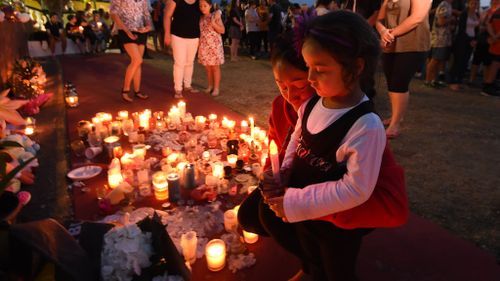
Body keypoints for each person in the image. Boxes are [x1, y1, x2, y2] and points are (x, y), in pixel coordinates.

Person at [262, 11, 385, 281]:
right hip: (306, 211)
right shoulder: (314, 102)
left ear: (356, 67)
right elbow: (297, 138)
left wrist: (295, 202)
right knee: (313, 257)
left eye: (320, 69)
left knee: (337, 270)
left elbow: (356, 189)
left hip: (337, 224)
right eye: (308, 67)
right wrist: (281, 172)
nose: (311, 78)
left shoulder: (366, 125)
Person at [376, 0, 431, 138]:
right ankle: (395, 116)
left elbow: (417, 18)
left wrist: (391, 34)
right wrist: (383, 31)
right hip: (390, 44)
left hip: (411, 44)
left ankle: (395, 124)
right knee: (391, 82)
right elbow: (379, 19)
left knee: (398, 83)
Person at [110, 0, 152, 102]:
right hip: (125, 30)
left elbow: (146, 14)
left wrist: (148, 26)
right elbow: (114, 14)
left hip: (141, 31)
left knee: (138, 63)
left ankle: (137, 91)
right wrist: (127, 31)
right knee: (137, 60)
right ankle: (125, 90)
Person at [164, 0, 202, 98]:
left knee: (190, 62)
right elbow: (167, 16)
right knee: (179, 63)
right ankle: (178, 89)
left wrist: (218, 13)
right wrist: (167, 34)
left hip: (194, 37)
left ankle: (187, 85)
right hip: (178, 36)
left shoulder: (199, 2)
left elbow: (207, 10)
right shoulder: (175, 1)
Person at [449, 0, 480, 91]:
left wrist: (475, 40)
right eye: (473, 3)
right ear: (468, 4)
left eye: (476, 3)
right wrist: (470, 40)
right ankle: (452, 81)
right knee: (458, 61)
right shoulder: (464, 14)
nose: (474, 5)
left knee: (465, 62)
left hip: (471, 41)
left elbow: (476, 29)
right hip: (461, 41)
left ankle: (459, 81)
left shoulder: (477, 15)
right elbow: (461, 29)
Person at [198, 0, 225, 96]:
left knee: (215, 68)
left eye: (205, 6)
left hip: (214, 46)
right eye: (200, 6)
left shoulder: (215, 16)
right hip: (204, 46)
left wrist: (213, 23)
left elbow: (222, 30)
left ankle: (216, 88)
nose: (202, 8)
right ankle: (210, 86)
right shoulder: (200, 18)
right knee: (208, 68)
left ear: (210, 6)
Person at [425, 0, 453, 88]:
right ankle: (428, 80)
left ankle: (433, 80)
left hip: (441, 38)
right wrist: (451, 19)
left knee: (437, 60)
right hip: (439, 38)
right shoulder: (444, 5)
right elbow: (441, 21)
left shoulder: (447, 5)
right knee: (435, 60)